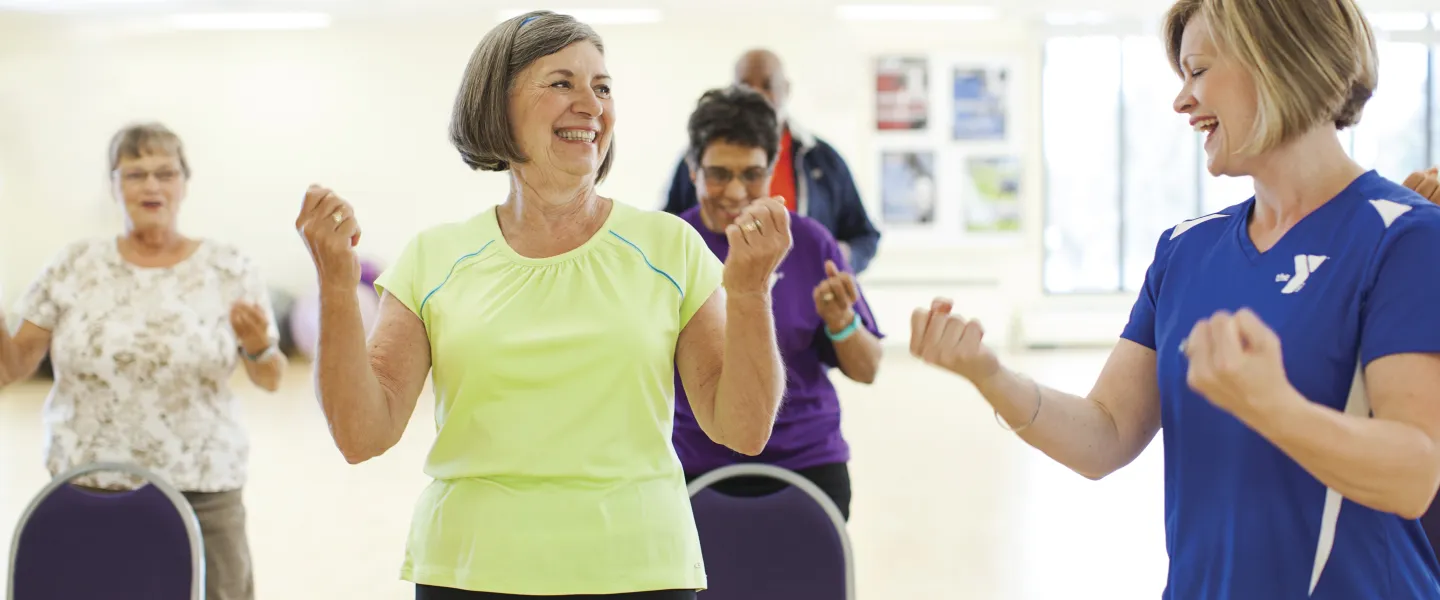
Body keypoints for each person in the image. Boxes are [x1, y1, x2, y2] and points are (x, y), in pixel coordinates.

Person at [910, 0, 1440, 598]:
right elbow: (1105, 436)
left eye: (1198, 70)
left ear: (1281, 62)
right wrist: (990, 375)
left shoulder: (1406, 237)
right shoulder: (1186, 250)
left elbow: (1413, 475)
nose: (1182, 101)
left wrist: (1273, 406)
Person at [292, 11, 790, 599]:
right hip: (470, 573)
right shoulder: (435, 256)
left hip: (640, 572)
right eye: (562, 83)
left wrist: (752, 291)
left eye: (602, 87)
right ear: (498, 104)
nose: (591, 104)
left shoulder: (669, 246)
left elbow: (743, 427)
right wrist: (333, 284)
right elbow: (361, 434)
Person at [0, 122, 285, 600]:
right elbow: (9, 368)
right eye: (134, 174)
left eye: (165, 172)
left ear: (184, 183)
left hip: (203, 492)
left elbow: (271, 377)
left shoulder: (228, 267)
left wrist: (258, 346)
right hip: (87, 490)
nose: (151, 185)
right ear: (113, 185)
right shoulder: (73, 265)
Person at [671, 85, 882, 520]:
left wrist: (841, 322)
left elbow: (868, 368)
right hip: (694, 466)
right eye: (718, 173)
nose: (734, 192)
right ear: (692, 170)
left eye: (751, 174)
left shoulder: (808, 241)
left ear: (772, 170)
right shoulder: (670, 247)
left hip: (805, 464)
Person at [661, 49, 883, 274]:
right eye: (719, 174)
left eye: (768, 85)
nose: (735, 192)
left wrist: (838, 258)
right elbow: (668, 224)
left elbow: (863, 235)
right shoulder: (697, 158)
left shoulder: (823, 161)